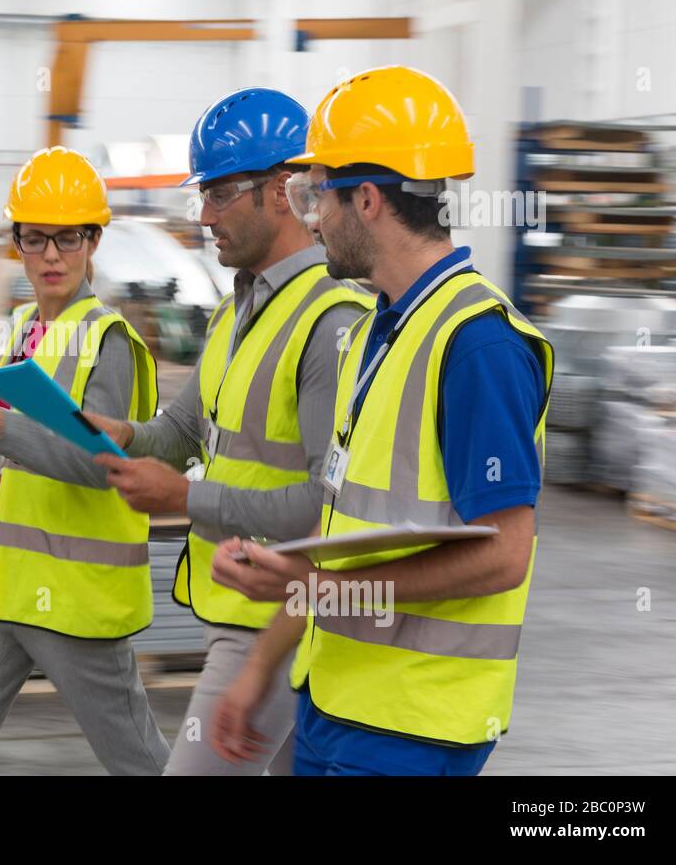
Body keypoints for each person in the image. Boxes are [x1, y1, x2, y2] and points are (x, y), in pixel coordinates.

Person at [209, 65, 554, 776]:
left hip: (410, 727)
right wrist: (262, 662)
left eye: (319, 196)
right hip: (337, 700)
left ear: (366, 200)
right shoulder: (378, 331)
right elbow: (342, 529)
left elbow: (504, 554)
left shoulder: (477, 344)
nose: (311, 219)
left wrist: (320, 591)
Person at [86, 89, 372, 775]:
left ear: (281, 191)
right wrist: (120, 433)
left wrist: (186, 501)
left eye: (218, 195)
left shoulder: (329, 323)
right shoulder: (236, 310)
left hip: (282, 616)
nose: (203, 216)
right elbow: (185, 433)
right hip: (244, 610)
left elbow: (329, 507)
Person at [0, 146, 170, 775]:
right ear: (16, 244)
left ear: (93, 241)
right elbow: (15, 457)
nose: (51, 255)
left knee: (139, 762)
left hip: (73, 594)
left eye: (67, 238)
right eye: (35, 239)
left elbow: (99, 463)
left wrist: (3, 430)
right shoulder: (22, 326)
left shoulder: (108, 341)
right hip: (0, 585)